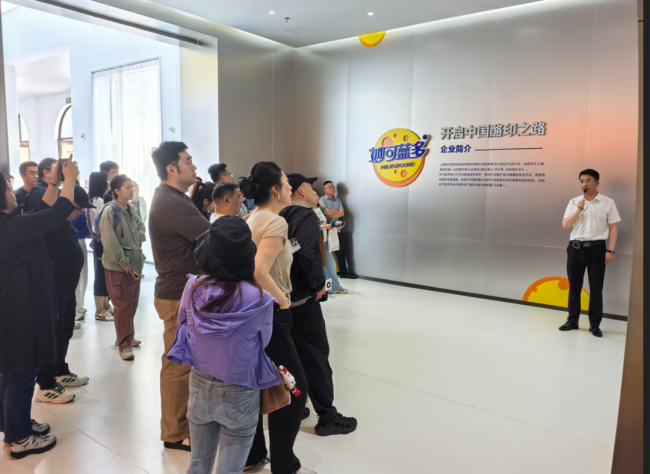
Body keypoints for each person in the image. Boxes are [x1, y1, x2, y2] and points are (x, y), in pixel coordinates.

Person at [168, 216, 281, 474]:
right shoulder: (261, 298)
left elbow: (182, 324)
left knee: (198, 463)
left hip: (198, 383)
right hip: (240, 388)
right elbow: (263, 341)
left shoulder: (192, 286)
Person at [0, 162, 78, 458]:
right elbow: (59, 212)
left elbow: (41, 212)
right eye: (8, 189)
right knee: (22, 371)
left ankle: (14, 425)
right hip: (19, 311)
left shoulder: (11, 223)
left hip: (15, 309)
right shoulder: (10, 227)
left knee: (12, 370)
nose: (13, 192)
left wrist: (56, 182)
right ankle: (20, 438)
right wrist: (70, 179)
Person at [241, 162, 315, 474]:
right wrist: (283, 301)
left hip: (251, 312)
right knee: (295, 389)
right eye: (286, 182)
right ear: (275, 189)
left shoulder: (250, 217)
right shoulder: (275, 221)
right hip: (271, 312)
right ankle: (284, 462)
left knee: (258, 383)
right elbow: (259, 270)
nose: (290, 187)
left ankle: (254, 453)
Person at [280, 174, 357, 436]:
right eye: (311, 188)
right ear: (300, 191)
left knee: (290, 356)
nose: (316, 193)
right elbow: (306, 252)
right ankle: (328, 416)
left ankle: (294, 403)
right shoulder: (304, 216)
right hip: (302, 298)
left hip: (282, 299)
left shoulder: (276, 215)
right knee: (315, 355)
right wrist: (317, 285)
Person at [149, 141, 211, 451]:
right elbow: (214, 239)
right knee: (178, 364)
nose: (194, 166)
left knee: (186, 362)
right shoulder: (172, 202)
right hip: (178, 295)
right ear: (171, 169)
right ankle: (174, 432)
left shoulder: (173, 198)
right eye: (188, 161)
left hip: (182, 292)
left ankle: (184, 424)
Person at [24, 158, 94, 403]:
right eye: (76, 207)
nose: (79, 212)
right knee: (51, 334)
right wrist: (63, 180)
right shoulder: (41, 199)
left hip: (66, 287)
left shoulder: (65, 220)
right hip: (51, 288)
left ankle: (60, 371)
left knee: (64, 330)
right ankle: (45, 384)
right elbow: (47, 208)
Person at [559, 169, 620, 337]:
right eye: (581, 181)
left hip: (597, 249)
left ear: (597, 182)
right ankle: (572, 320)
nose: (583, 184)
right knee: (574, 287)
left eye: (588, 180)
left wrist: (610, 250)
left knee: (596, 288)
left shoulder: (608, 202)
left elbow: (613, 227)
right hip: (575, 248)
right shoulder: (574, 202)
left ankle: (595, 325)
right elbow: (565, 225)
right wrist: (578, 210)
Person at [100, 175, 147, 361]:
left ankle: (128, 336)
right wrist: (123, 261)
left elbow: (140, 226)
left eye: (132, 187)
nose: (131, 190)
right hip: (119, 267)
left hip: (135, 263)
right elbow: (109, 240)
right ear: (116, 191)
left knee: (132, 303)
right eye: (127, 187)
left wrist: (139, 238)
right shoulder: (110, 211)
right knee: (122, 305)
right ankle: (124, 344)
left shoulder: (131, 208)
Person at [87, 171, 114, 321]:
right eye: (107, 180)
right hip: (102, 241)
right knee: (101, 277)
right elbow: (104, 222)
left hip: (100, 240)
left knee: (104, 276)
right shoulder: (98, 201)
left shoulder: (96, 200)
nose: (109, 183)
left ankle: (105, 307)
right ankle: (100, 311)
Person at [319, 181, 357, 279]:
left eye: (333, 187)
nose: (332, 188)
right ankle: (325, 275)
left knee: (340, 251)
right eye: (329, 187)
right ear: (325, 190)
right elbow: (324, 212)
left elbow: (342, 213)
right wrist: (336, 212)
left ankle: (343, 272)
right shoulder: (321, 200)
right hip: (326, 229)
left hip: (337, 229)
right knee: (325, 252)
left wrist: (330, 213)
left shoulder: (338, 200)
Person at [313, 190, 347, 295]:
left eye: (317, 195)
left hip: (326, 241)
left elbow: (330, 220)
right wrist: (328, 226)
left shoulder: (322, 209)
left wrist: (336, 223)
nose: (316, 197)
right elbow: (314, 227)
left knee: (331, 265)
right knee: (323, 266)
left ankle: (334, 287)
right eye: (313, 195)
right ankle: (330, 288)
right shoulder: (307, 211)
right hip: (317, 242)